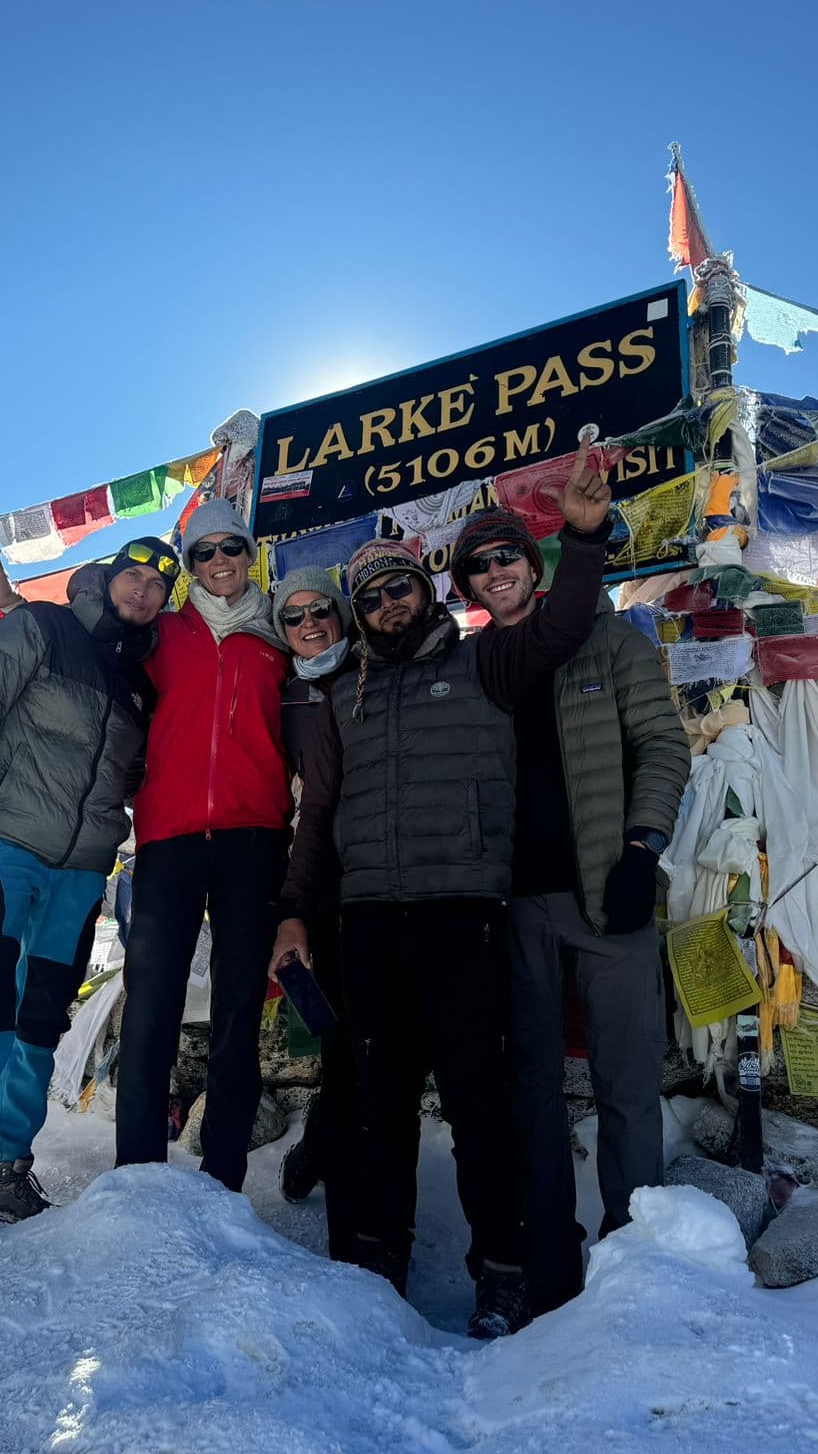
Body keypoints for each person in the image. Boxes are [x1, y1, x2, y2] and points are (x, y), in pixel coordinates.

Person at [271, 445, 612, 1339]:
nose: (389, 605)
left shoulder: (486, 664)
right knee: (379, 1107)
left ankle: (501, 1271)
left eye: (401, 589)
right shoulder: (344, 695)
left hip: (466, 913)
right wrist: (295, 913)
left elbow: (564, 624)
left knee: (478, 1102)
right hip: (372, 924)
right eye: (373, 595)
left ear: (426, 591)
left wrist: (581, 540)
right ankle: (376, 1267)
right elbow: (318, 817)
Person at [450, 506, 692, 1315]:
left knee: (627, 1081)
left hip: (604, 893)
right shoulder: (477, 662)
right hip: (515, 905)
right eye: (479, 566)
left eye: (506, 556)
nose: (496, 572)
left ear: (534, 563)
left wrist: (642, 848)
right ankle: (551, 1269)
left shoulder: (611, 637)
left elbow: (663, 743)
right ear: (470, 587)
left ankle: (636, 1261)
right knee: (533, 1093)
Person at [0, 536, 178, 1250]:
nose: (143, 593)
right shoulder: (40, 627)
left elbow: (126, 773)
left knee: (41, 1017)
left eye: (159, 588)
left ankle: (8, 1166)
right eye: (133, 577)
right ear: (108, 578)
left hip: (82, 868)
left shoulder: (139, 682)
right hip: (5, 843)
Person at [113, 499, 292, 1191]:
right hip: (168, 837)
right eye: (204, 552)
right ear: (188, 567)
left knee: (238, 1008)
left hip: (254, 839)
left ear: (250, 555)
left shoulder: (279, 635)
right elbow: (96, 630)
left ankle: (223, 1179)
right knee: (151, 1001)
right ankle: (136, 1176)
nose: (220, 561)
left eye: (231, 548)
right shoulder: (161, 635)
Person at [266, 566, 363, 1261]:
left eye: (319, 610)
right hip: (313, 883)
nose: (308, 624)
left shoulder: (375, 671)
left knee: (372, 1037)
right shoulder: (280, 696)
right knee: (339, 1034)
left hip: (385, 874)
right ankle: (325, 1152)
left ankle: (326, 1149)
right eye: (293, 616)